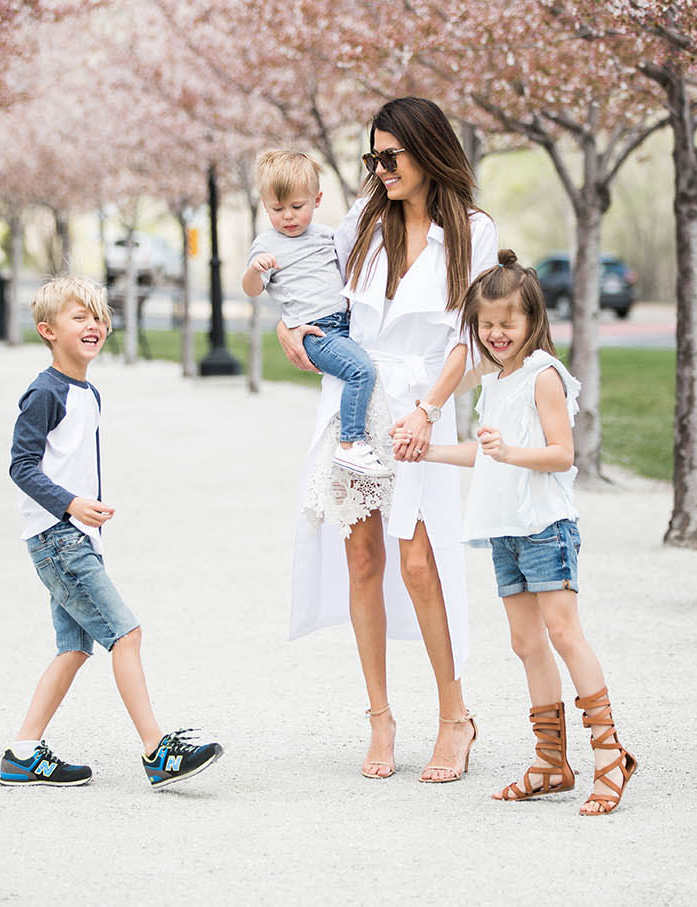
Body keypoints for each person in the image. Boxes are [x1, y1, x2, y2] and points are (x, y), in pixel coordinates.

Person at [278, 97, 496, 782]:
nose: (379, 169)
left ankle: (455, 717)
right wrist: (291, 331)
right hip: (354, 406)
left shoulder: (472, 232)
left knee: (421, 562)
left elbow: (471, 337)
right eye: (372, 157)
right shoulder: (363, 223)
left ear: (427, 152)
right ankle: (379, 716)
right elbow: (314, 293)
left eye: (389, 157)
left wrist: (429, 409)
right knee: (363, 559)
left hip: (420, 410)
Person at [420, 250, 638, 816]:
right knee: (525, 643)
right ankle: (550, 761)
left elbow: (563, 455)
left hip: (545, 527)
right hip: (505, 530)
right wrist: (430, 451)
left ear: (532, 321)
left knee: (564, 634)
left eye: (506, 324)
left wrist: (510, 452)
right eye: (486, 325)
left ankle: (612, 756)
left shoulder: (544, 376)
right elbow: (486, 455)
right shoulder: (495, 380)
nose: (496, 334)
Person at [2, 275, 224, 789]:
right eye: (79, 317)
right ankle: (156, 752)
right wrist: (72, 505)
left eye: (99, 316)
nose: (94, 325)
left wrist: (84, 520)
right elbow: (22, 466)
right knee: (126, 633)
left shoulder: (89, 392)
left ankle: (23, 752)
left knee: (75, 649)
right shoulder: (43, 392)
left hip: (78, 539)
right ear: (47, 330)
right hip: (59, 538)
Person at [243, 150, 389, 478]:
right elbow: (252, 290)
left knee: (366, 369)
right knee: (361, 371)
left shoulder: (326, 236)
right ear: (265, 205)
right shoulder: (266, 245)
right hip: (316, 333)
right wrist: (255, 269)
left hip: (343, 323)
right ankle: (350, 444)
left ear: (317, 199)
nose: (288, 217)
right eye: (276, 209)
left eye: (297, 207)